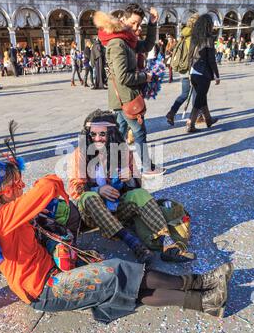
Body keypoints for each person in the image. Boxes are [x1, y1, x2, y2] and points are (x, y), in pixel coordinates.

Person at [0, 122, 233, 322]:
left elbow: (131, 183)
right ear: (4, 190)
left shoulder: (1, 208)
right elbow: (49, 185)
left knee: (125, 285)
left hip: (52, 269)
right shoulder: (0, 217)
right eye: (17, 183)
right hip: (44, 288)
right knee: (117, 272)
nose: (21, 188)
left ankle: (204, 298)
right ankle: (200, 285)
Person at [68, 109, 196, 263]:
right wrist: (98, 190)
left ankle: (168, 244)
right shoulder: (80, 153)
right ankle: (134, 244)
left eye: (102, 134)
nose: (97, 138)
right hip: (93, 214)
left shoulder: (122, 151)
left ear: (112, 133)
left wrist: (131, 177)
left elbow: (137, 186)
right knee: (89, 196)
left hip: (118, 210)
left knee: (140, 194)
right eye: (93, 134)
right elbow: (75, 189)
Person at [94, 3, 158, 174]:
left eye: (139, 24)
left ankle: (109, 166)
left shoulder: (127, 39)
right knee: (139, 131)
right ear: (123, 19)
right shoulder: (118, 42)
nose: (136, 27)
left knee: (120, 133)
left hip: (122, 98)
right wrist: (146, 77)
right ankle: (147, 168)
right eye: (134, 23)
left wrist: (152, 24)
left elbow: (147, 46)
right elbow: (122, 77)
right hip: (125, 96)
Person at [186, 14, 220, 133]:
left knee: (202, 96)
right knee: (200, 98)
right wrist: (217, 75)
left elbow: (190, 56)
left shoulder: (194, 38)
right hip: (203, 73)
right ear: (208, 25)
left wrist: (190, 72)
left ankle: (209, 119)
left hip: (194, 72)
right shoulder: (209, 39)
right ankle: (191, 123)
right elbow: (211, 59)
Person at [166, 13, 199, 126]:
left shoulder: (184, 35)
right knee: (196, 94)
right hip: (192, 69)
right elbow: (194, 55)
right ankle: (193, 120)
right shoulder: (194, 37)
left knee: (184, 94)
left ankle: (171, 112)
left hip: (183, 69)